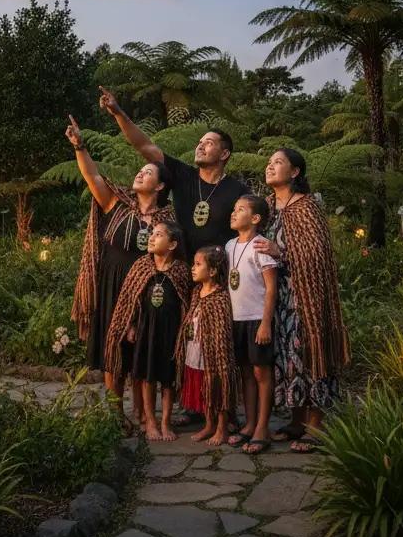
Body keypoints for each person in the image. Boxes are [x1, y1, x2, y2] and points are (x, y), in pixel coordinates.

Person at [99, 86, 249, 427]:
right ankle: (194, 404)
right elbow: (143, 145)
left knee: (222, 345)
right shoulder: (182, 175)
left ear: (224, 154)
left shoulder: (238, 189)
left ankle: (226, 408)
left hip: (220, 276)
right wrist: (118, 112)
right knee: (185, 342)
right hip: (183, 272)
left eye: (209, 142)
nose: (201, 145)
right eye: (201, 141)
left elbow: (252, 222)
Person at [67, 115, 174, 434]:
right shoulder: (117, 203)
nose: (141, 173)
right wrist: (79, 146)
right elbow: (92, 176)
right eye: (141, 171)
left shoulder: (166, 220)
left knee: (140, 351)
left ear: (160, 186)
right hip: (112, 285)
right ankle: (116, 413)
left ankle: (144, 414)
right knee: (113, 352)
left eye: (148, 172)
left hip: (144, 290)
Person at [254, 147, 349, 453]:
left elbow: (318, 255)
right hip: (275, 297)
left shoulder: (306, 208)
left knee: (309, 353)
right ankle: (296, 420)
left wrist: (281, 253)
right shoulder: (267, 207)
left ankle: (316, 425)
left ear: (294, 172)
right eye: (269, 163)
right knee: (285, 357)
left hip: (304, 295)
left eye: (277, 163)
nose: (270, 167)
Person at [104, 221, 191, 441]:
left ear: (172, 244)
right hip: (146, 330)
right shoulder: (141, 266)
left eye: (158, 235)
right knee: (147, 376)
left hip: (171, 332)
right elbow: (129, 300)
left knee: (169, 378)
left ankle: (166, 421)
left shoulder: (181, 270)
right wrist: (131, 325)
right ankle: (150, 420)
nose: (151, 238)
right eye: (152, 234)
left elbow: (188, 303)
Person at [225, 194, 278, 454]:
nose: (233, 213)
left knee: (261, 372)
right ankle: (250, 423)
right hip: (236, 319)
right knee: (246, 371)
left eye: (240, 209)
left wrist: (266, 323)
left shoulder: (261, 246)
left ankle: (262, 428)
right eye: (234, 209)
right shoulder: (229, 246)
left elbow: (270, 289)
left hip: (257, 319)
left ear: (255, 218)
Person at [174, 245, 238, 446]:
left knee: (217, 386)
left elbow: (222, 332)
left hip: (215, 355)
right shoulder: (196, 292)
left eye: (198, 264)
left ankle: (221, 427)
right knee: (204, 388)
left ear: (212, 271)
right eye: (193, 263)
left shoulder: (220, 297)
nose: (193, 268)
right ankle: (209, 424)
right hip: (196, 348)